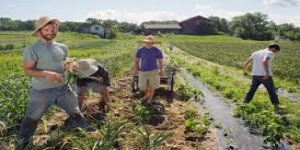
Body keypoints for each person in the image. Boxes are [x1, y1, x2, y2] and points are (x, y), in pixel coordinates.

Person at [19, 16, 92, 148]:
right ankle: (22, 144)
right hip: (41, 91)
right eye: (46, 30)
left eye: (53, 29)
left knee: (75, 111)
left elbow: (65, 64)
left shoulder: (62, 47)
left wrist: (71, 66)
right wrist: (46, 73)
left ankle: (87, 133)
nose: (50, 32)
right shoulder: (32, 49)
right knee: (32, 118)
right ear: (39, 31)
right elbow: (28, 71)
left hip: (63, 88)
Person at [243, 43, 283, 110]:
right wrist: (267, 73)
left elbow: (247, 62)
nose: (275, 53)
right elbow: (264, 61)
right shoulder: (270, 53)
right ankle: (277, 106)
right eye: (276, 51)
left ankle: (245, 103)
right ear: (274, 48)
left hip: (255, 75)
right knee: (272, 91)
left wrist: (244, 71)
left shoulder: (256, 52)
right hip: (264, 76)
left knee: (252, 90)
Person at [134, 35, 164, 104]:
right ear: (145, 42)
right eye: (147, 42)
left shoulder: (157, 50)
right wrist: (136, 69)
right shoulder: (140, 50)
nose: (149, 44)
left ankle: (149, 99)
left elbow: (160, 61)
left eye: (151, 42)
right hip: (143, 70)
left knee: (152, 85)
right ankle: (147, 94)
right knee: (142, 86)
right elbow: (137, 60)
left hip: (154, 70)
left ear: (153, 43)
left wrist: (161, 70)